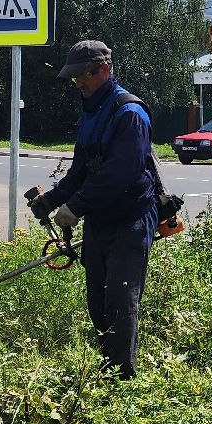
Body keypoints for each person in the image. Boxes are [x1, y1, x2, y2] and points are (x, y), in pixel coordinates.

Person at [30, 39, 158, 380]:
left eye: (82, 76)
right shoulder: (91, 112)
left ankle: (121, 380)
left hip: (130, 219)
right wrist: (52, 201)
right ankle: (107, 367)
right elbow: (81, 170)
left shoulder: (130, 114)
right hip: (100, 221)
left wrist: (76, 207)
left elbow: (121, 174)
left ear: (103, 69)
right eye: (73, 79)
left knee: (120, 300)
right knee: (98, 304)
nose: (78, 84)